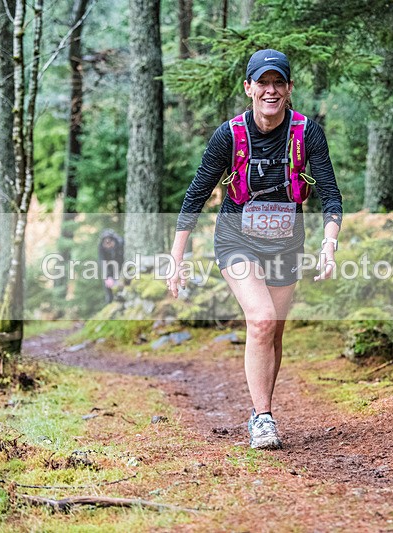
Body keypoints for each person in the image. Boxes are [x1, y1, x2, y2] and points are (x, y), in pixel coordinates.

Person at [167, 49, 342, 449]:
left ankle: (263, 407)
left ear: (289, 88)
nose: (271, 90)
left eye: (278, 82)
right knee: (261, 320)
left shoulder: (307, 133)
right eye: (262, 83)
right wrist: (175, 259)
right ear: (248, 88)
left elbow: (330, 194)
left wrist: (328, 245)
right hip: (236, 238)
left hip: (286, 244)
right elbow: (195, 196)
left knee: (274, 332)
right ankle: (262, 418)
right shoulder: (230, 134)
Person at [98, 229, 124, 303]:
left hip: (122, 269)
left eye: (109, 242)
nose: (108, 245)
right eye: (105, 243)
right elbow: (102, 263)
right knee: (109, 292)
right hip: (110, 270)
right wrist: (107, 277)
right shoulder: (101, 248)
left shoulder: (120, 243)